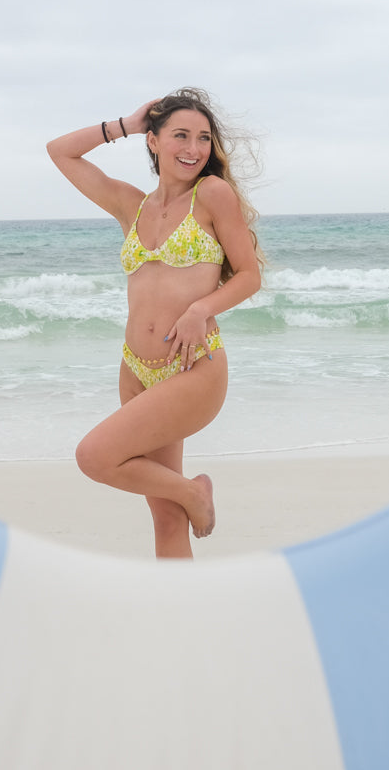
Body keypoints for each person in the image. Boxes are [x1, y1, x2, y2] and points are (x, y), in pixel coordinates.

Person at [46, 89, 262, 558]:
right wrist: (124, 124)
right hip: (135, 369)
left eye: (203, 138)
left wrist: (200, 310)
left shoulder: (212, 194)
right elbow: (59, 151)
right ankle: (178, 619)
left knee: (95, 456)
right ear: (153, 142)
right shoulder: (133, 205)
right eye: (180, 135)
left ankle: (192, 492)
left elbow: (249, 276)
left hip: (192, 367)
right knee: (166, 520)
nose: (194, 148)